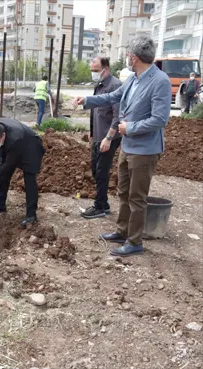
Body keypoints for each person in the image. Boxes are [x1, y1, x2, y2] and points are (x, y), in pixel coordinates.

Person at [72, 35, 171, 257]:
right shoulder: (134, 79)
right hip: (128, 147)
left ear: (134, 58)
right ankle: (122, 230)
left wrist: (131, 127)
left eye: (128, 55)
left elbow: (160, 119)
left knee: (137, 196)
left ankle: (134, 241)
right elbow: (112, 97)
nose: (127, 58)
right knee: (123, 191)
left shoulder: (160, 81)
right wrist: (86, 100)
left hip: (145, 150)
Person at [0, 118, 46, 228]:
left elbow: (9, 164)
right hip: (9, 146)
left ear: (2, 136)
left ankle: (31, 216)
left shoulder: (15, 138)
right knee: (3, 176)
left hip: (31, 147)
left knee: (29, 180)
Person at [82, 56, 122, 219]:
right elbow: (94, 111)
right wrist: (92, 133)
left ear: (106, 69)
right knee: (95, 168)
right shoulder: (98, 85)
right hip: (98, 136)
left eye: (96, 70)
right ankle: (103, 203)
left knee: (101, 171)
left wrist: (108, 138)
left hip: (109, 136)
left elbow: (118, 115)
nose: (93, 73)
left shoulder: (115, 85)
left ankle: (100, 207)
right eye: (92, 71)